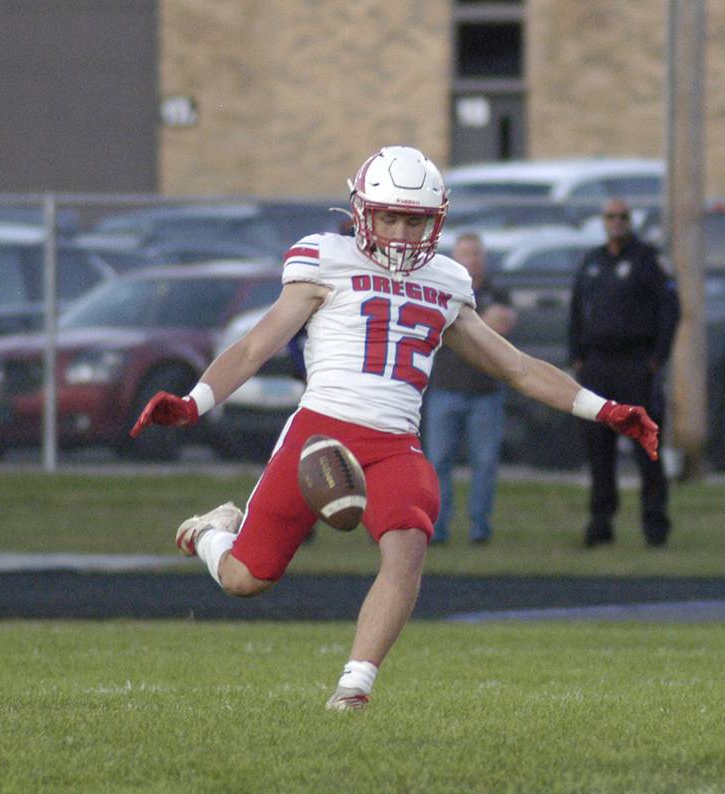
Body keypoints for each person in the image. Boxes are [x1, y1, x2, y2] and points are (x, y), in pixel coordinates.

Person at [129, 146, 659, 712]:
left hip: (394, 445)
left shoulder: (448, 281)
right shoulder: (323, 260)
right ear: (363, 213)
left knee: (407, 547)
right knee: (244, 579)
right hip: (319, 436)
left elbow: (517, 366)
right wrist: (192, 403)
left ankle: (354, 687)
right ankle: (210, 532)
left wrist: (605, 409)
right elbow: (257, 346)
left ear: (437, 221)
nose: (403, 234)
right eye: (390, 217)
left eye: (415, 220)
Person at [569, 198, 680, 548]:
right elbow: (576, 311)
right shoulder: (592, 262)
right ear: (602, 221)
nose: (616, 222)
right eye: (610, 216)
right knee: (598, 447)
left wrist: (657, 359)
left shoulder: (648, 260)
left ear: (631, 221)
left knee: (646, 446)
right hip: (598, 366)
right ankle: (600, 524)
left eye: (622, 217)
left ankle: (655, 525)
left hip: (635, 365)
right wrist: (578, 356)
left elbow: (670, 310)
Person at [423, 232, 516, 545]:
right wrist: (479, 324)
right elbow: (434, 327)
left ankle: (479, 528)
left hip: (485, 391)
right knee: (438, 462)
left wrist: (460, 327)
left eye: (476, 253)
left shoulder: (497, 292)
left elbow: (502, 324)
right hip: (445, 388)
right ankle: (438, 528)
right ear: (454, 258)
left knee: (485, 462)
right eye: (465, 253)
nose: (472, 259)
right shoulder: (441, 291)